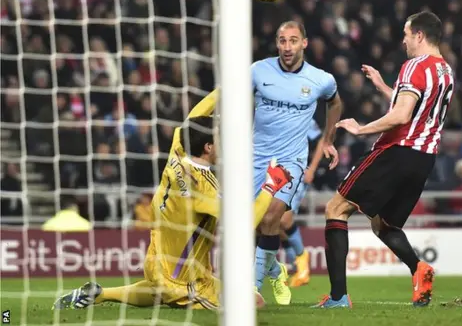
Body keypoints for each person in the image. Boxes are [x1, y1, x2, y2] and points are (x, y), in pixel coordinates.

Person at [52, 89, 293, 310]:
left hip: (160, 256)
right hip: (184, 277)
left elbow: (194, 116)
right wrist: (270, 187)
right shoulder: (203, 189)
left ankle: (101, 293)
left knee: (159, 290)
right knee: (252, 304)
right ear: (208, 147)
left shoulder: (179, 150)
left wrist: (225, 90)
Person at [314, 10, 454, 308]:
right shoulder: (445, 72)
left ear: (419, 35)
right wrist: (383, 86)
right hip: (423, 159)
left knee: (335, 209)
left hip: (396, 151)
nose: (404, 41)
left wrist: (361, 129)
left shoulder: (414, 66)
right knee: (384, 225)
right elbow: (416, 108)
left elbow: (403, 115)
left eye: (406, 35)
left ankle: (338, 297)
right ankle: (419, 268)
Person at [251, 20, 343, 305]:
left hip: (290, 162)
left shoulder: (321, 79)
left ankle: (252, 289)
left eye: (292, 40)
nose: (287, 47)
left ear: (304, 42)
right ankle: (274, 269)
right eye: (282, 41)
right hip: (255, 158)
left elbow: (335, 103)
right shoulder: (257, 71)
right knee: (254, 225)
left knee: (272, 216)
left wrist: (328, 139)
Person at [281, 119, 324, 287]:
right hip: (272, 172)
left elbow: (321, 140)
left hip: (295, 174)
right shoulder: (266, 108)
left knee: (283, 220)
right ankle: (298, 264)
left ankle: (300, 262)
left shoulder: (301, 113)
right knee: (271, 222)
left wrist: (312, 169)